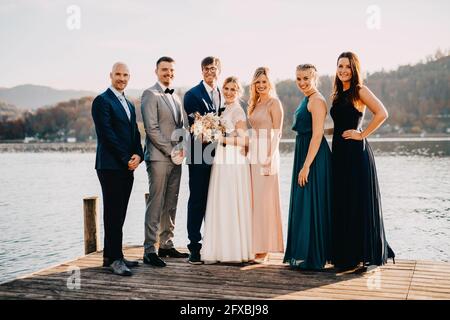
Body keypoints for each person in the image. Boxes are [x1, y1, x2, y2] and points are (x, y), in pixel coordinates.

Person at [330, 52, 395, 271]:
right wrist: (321, 130)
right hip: (339, 154)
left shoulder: (359, 90)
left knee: (356, 201)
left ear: (354, 69)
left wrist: (362, 133)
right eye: (340, 66)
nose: (343, 70)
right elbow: (340, 124)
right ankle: (345, 255)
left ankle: (358, 256)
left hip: (356, 154)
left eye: (347, 66)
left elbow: (382, 113)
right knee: (343, 201)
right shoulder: (338, 93)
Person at [91, 62, 144, 276]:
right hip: (111, 166)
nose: (121, 78)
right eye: (118, 74)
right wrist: (125, 159)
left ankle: (112, 255)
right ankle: (115, 259)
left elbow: (135, 134)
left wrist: (138, 155)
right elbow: (107, 135)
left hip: (127, 166)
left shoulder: (129, 104)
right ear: (110, 75)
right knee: (113, 213)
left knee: (120, 212)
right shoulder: (102, 101)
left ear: (129, 77)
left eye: (125, 75)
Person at [283, 64, 332, 270]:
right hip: (304, 152)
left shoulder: (318, 100)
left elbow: (317, 135)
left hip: (313, 157)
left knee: (311, 202)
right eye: (299, 79)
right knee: (304, 203)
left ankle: (312, 255)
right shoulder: (308, 99)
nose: (302, 83)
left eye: (306, 78)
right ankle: (303, 253)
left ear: (315, 78)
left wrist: (306, 166)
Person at [141, 56, 189, 268]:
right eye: (164, 70)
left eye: (171, 70)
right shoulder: (150, 94)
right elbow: (151, 129)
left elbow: (181, 127)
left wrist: (183, 148)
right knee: (156, 201)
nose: (168, 73)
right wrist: (171, 151)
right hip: (159, 157)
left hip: (176, 158)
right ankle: (150, 249)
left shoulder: (177, 97)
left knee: (171, 201)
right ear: (156, 71)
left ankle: (166, 244)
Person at [202, 76, 253, 264]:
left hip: (233, 160)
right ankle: (221, 249)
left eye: (233, 89)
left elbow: (244, 140)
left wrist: (219, 138)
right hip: (222, 159)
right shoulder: (223, 109)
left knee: (231, 200)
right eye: (227, 88)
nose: (229, 92)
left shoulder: (238, 111)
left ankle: (234, 250)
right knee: (221, 201)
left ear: (239, 92)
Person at [183, 56, 223, 264]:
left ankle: (213, 243)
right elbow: (198, 127)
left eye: (213, 68)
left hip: (220, 156)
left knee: (215, 199)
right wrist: (222, 130)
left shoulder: (221, 93)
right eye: (206, 69)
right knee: (197, 199)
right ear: (201, 71)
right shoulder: (192, 95)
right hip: (199, 154)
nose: (210, 72)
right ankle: (194, 247)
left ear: (219, 70)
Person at [247, 67, 284, 261]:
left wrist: (270, 157)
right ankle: (256, 244)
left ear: (270, 83)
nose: (261, 85)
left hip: (268, 154)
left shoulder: (274, 103)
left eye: (264, 82)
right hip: (253, 154)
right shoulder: (254, 103)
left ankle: (266, 248)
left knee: (265, 202)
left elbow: (277, 133)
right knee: (254, 202)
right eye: (258, 82)